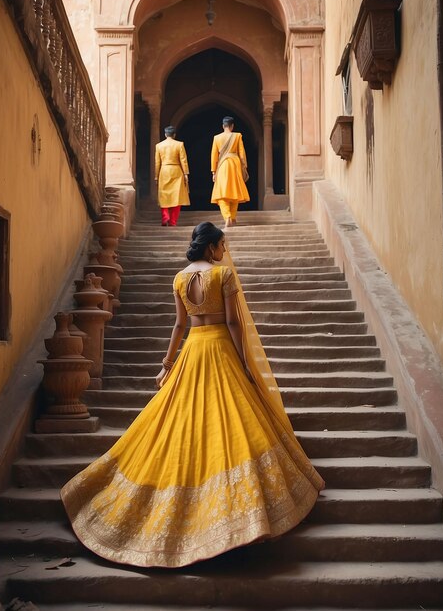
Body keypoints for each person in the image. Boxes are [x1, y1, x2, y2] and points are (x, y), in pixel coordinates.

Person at [61, 222, 324, 568]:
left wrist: (167, 364)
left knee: (180, 422)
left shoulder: (180, 278)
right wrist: (247, 363)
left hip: (192, 352)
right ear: (212, 247)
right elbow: (233, 323)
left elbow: (179, 325)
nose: (223, 251)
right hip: (221, 350)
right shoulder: (223, 275)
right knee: (233, 422)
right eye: (221, 246)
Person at [211, 116, 250, 228]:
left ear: (223, 126)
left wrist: (213, 171)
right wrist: (244, 167)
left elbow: (214, 156)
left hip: (222, 165)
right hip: (235, 163)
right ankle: (232, 217)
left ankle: (227, 216)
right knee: (234, 191)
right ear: (232, 126)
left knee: (222, 193)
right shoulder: (237, 136)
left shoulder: (217, 138)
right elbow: (242, 153)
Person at [155, 125, 190, 226]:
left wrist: (156, 176)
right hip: (177, 170)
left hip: (164, 171)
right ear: (174, 135)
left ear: (165, 134)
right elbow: (183, 160)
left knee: (163, 196)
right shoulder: (179, 144)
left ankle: (165, 217)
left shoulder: (159, 146)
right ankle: (173, 221)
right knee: (176, 197)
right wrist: (186, 173)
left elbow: (157, 162)